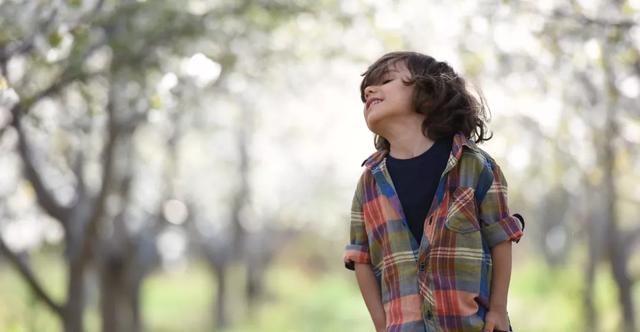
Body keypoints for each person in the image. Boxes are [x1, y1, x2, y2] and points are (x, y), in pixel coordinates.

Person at [343, 51, 525, 332]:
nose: (369, 90)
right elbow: (361, 258)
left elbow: (500, 237)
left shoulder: (475, 166)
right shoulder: (369, 183)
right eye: (366, 91)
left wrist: (498, 310)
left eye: (386, 80)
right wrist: (382, 325)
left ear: (428, 94)